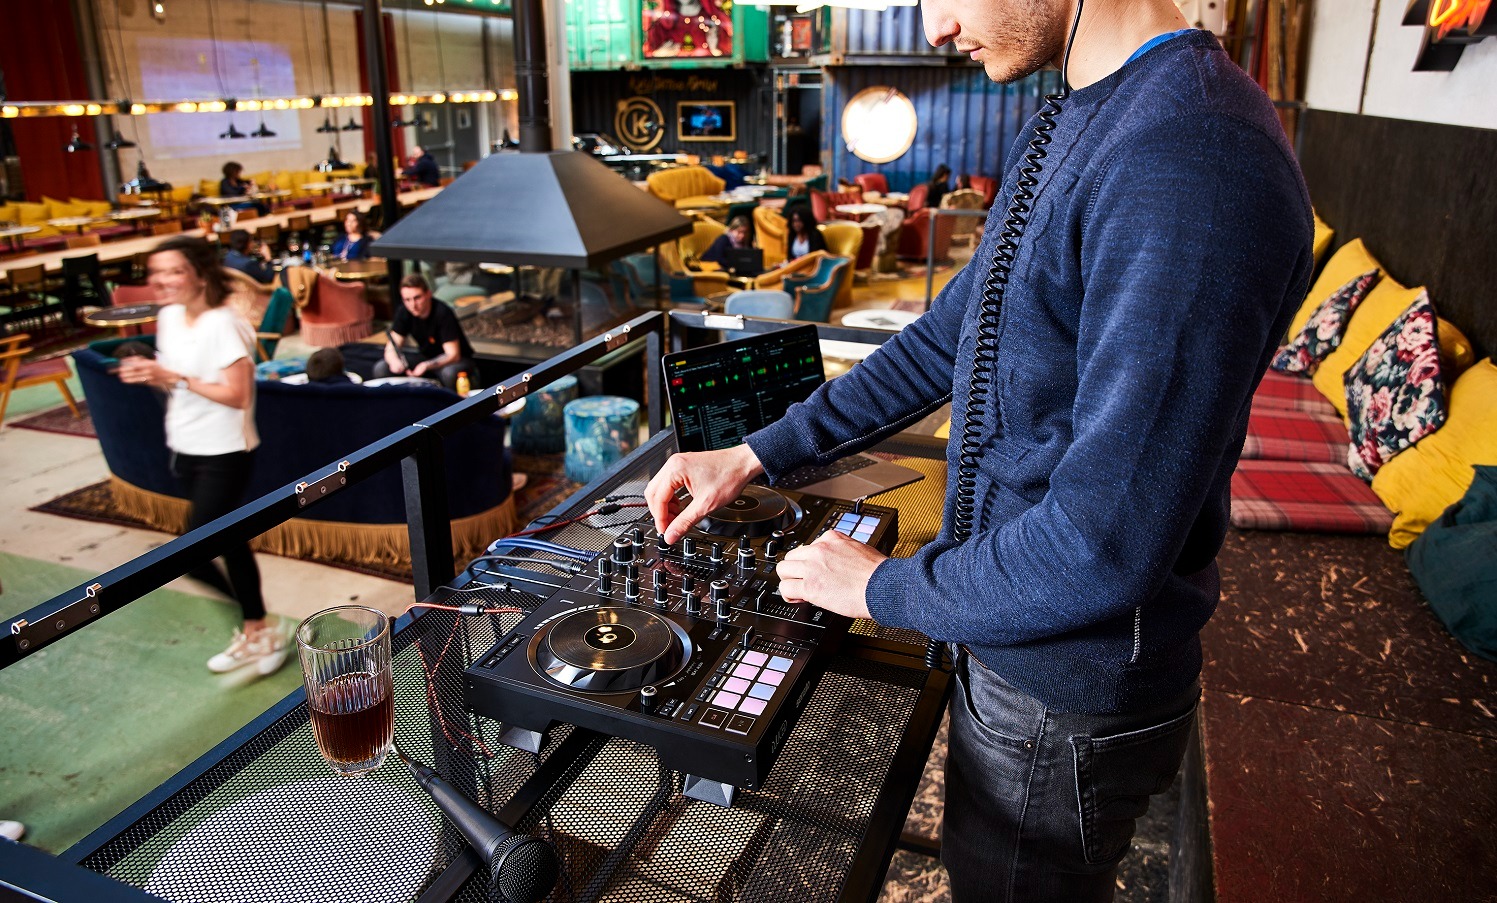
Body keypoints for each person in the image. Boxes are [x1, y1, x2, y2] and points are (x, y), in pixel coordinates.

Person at [643, 0, 1314, 899]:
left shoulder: (1192, 154)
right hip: (1009, 630)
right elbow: (947, 338)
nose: (933, 29)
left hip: (1062, 689)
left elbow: (1101, 542)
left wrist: (881, 589)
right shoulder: (1081, 110)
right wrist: (755, 452)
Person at [117, 235, 287, 677]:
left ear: (199, 274)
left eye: (173, 271)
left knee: (190, 554)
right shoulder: (169, 317)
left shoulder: (222, 324)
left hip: (224, 451)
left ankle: (261, 625)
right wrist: (150, 374)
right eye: (156, 272)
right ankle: (258, 630)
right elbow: (177, 380)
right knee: (230, 542)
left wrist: (171, 375)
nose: (161, 280)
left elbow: (237, 395)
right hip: (185, 446)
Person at [375, 274, 478, 389]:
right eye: (407, 300)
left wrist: (426, 366)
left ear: (428, 294)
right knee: (382, 367)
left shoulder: (442, 312)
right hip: (425, 356)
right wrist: (394, 361)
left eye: (417, 298)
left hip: (456, 360)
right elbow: (392, 346)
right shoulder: (404, 311)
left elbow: (453, 354)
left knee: (449, 373)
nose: (413, 305)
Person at [645, 0, 733, 57]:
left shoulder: (714, 21)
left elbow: (728, 54)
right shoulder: (662, 24)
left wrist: (714, 51)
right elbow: (648, 54)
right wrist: (658, 54)